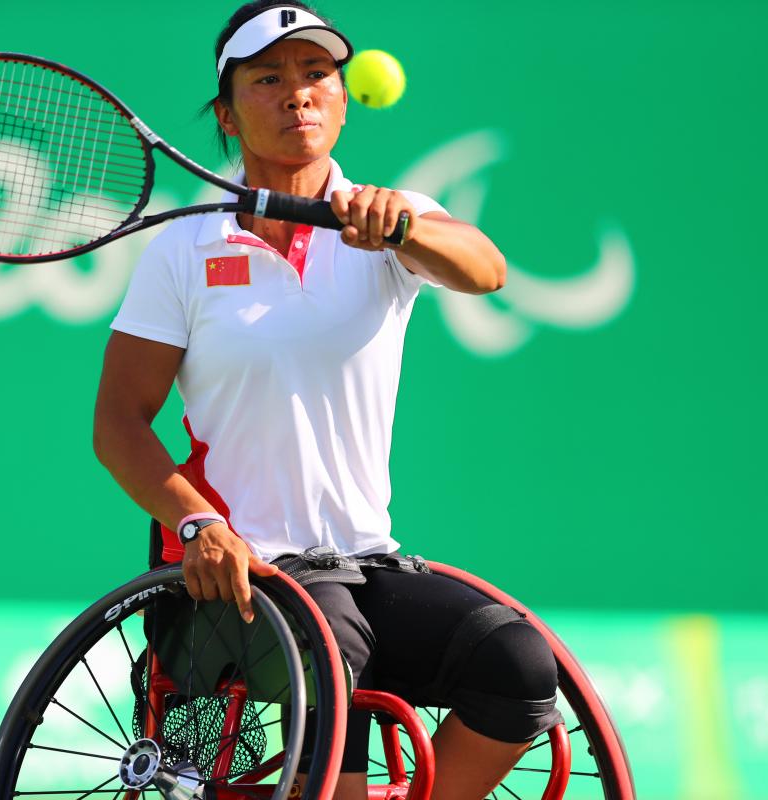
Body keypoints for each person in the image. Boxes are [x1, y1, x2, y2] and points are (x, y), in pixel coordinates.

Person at [93, 3, 562, 799]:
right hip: (234, 582)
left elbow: (486, 270)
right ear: (227, 115)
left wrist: (403, 228)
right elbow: (118, 425)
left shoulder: (390, 222)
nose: (298, 94)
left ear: (344, 102)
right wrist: (198, 525)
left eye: (317, 76)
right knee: (328, 640)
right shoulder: (182, 251)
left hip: (361, 563)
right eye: (268, 78)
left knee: (517, 661)